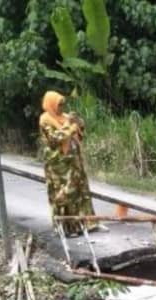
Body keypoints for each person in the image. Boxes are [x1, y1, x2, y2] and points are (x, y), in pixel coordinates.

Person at [38, 90, 100, 236]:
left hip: (73, 161)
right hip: (58, 165)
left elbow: (79, 133)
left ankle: (84, 224)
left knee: (79, 191)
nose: (61, 108)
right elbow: (55, 139)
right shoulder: (45, 119)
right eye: (59, 105)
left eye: (63, 105)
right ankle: (64, 227)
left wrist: (78, 123)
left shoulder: (64, 117)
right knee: (63, 194)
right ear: (51, 104)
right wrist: (69, 126)